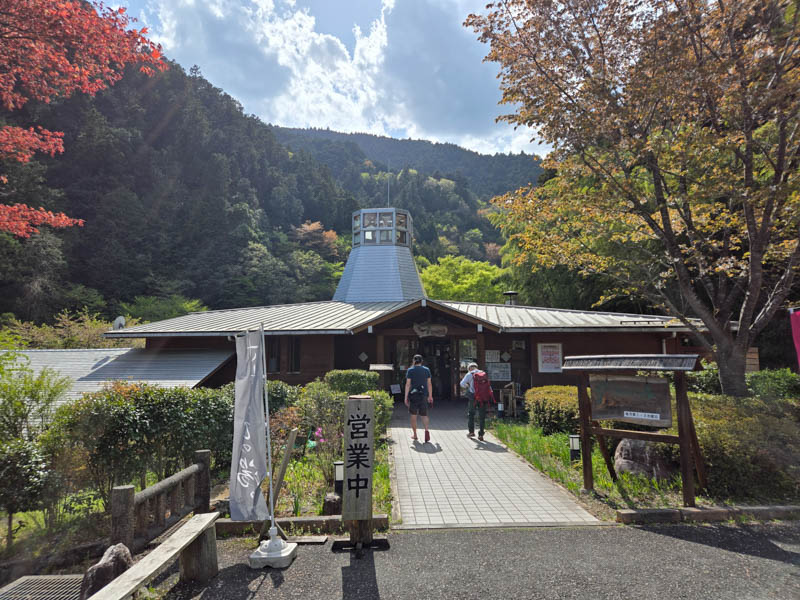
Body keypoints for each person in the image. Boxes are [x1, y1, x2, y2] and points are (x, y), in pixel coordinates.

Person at [404, 354, 433, 442]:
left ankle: (415, 435)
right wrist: (430, 396)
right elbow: (429, 384)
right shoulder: (426, 370)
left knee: (413, 415)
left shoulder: (410, 370)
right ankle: (426, 431)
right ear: (421, 361)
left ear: (413, 361)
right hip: (424, 395)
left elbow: (408, 384)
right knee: (424, 415)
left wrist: (405, 397)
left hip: (414, 395)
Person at [460, 362, 487, 441]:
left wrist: (468, 386)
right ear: (476, 367)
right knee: (482, 416)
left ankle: (471, 432)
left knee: (471, 414)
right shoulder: (483, 373)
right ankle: (481, 434)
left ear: (469, 368)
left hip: (473, 397)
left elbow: (462, 383)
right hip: (483, 397)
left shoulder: (469, 374)